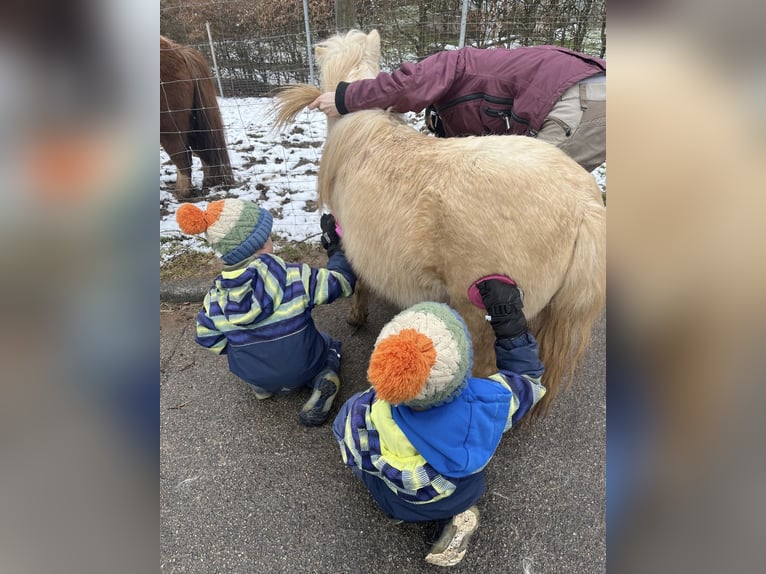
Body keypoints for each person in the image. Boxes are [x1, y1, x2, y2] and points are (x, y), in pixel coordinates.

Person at [332, 279, 546, 567]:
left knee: (369, 462)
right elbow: (528, 381)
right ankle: (454, 513)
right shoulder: (480, 407)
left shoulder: (362, 407)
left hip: (391, 498)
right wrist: (509, 322)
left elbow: (347, 446)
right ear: (460, 368)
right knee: (467, 481)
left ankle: (403, 509)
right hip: (446, 494)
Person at [175, 199, 355, 426]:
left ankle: (262, 386)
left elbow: (206, 337)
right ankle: (323, 378)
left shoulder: (215, 298)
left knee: (249, 355)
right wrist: (337, 251)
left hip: (253, 373)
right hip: (303, 366)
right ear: (260, 243)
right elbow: (341, 285)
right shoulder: (295, 277)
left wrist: (242, 350)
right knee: (330, 345)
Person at [309, 44, 606, 172]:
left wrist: (343, 99)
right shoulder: (481, 80)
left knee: (517, 194)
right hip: (600, 93)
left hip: (580, 102)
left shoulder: (452, 64)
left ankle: (504, 291)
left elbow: (404, 86)